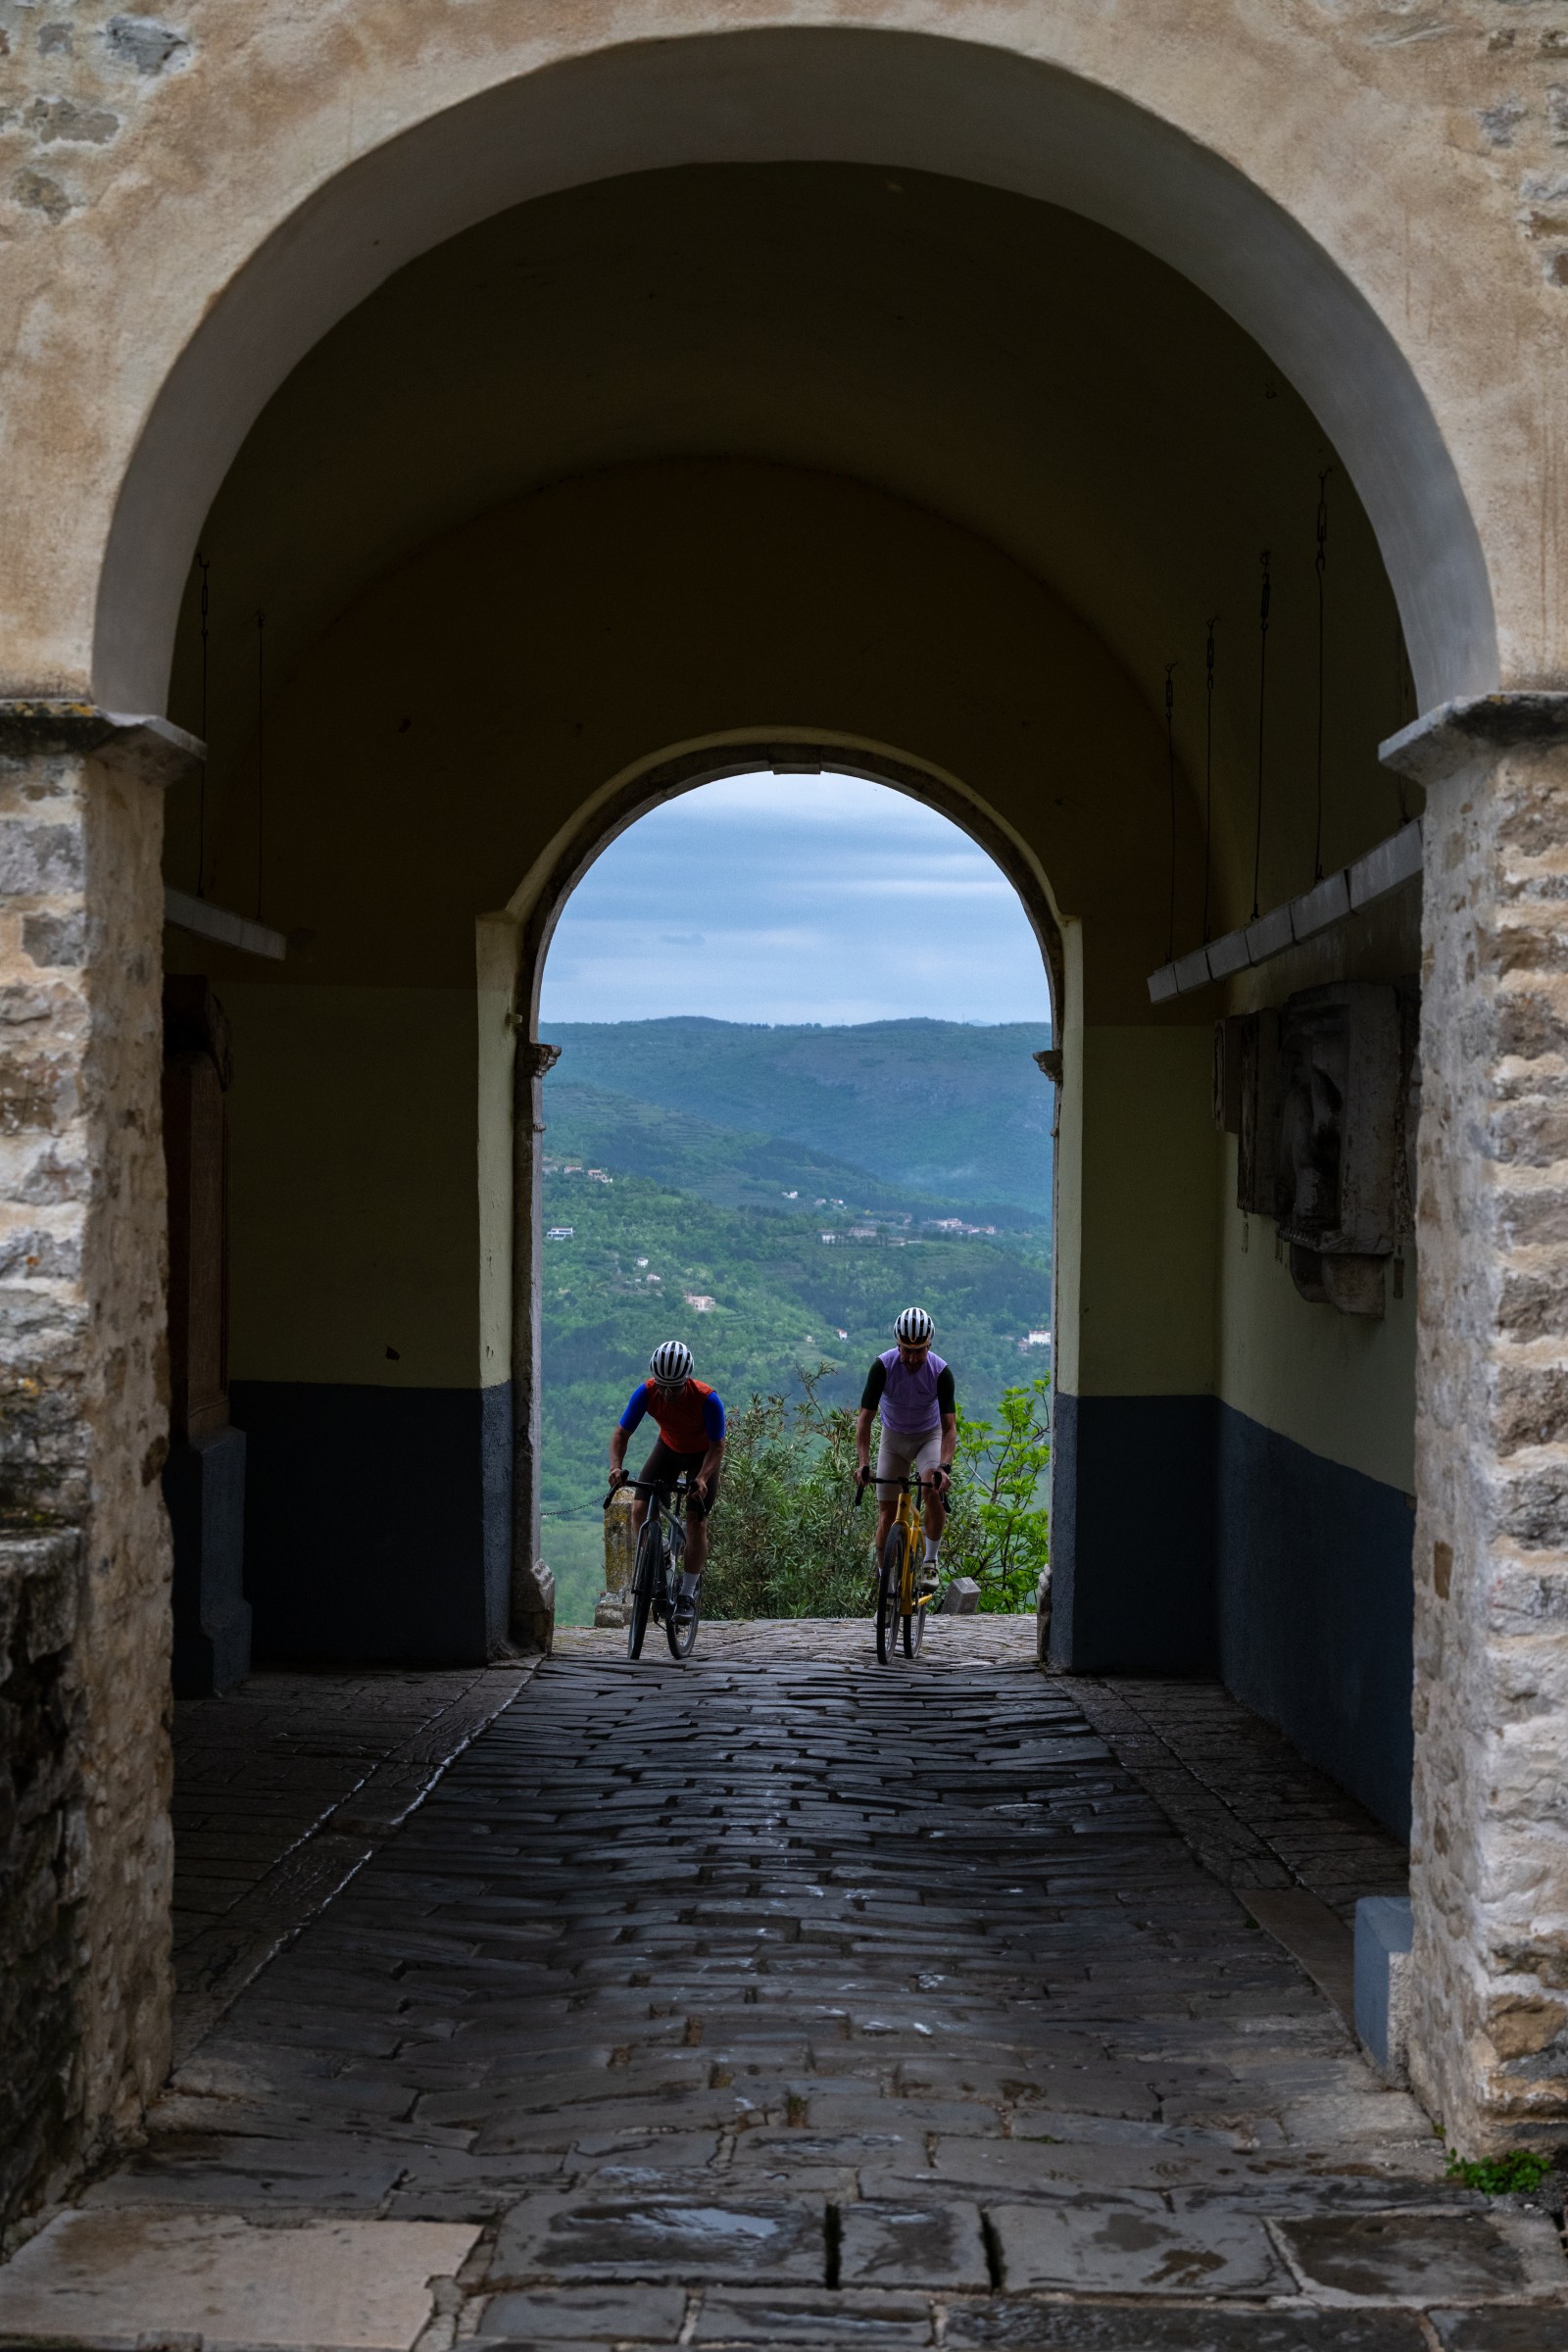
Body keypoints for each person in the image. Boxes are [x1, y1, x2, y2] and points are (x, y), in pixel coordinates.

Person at [609, 1340, 726, 1632]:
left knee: (696, 1521)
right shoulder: (647, 1393)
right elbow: (621, 1435)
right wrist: (615, 1467)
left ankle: (686, 1593)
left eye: (674, 1387)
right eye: (662, 1385)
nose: (667, 1393)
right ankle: (660, 1553)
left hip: (702, 1454)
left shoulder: (707, 1400)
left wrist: (701, 1477)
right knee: (639, 1509)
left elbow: (718, 1447)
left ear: (686, 1380)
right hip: (669, 1448)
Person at [855, 1307, 956, 1586]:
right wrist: (863, 1463)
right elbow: (864, 1421)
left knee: (932, 1489)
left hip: (929, 1437)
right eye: (906, 1351)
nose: (911, 1358)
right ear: (897, 1344)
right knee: (887, 1512)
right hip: (893, 1438)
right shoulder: (882, 1367)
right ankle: (885, 1582)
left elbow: (949, 1428)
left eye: (919, 1351)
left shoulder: (940, 1372)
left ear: (929, 1346)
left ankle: (930, 1561)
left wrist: (944, 1467)